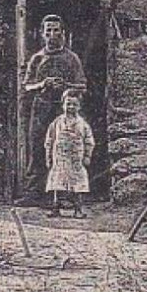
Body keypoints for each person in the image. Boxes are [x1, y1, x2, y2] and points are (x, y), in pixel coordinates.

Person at [23, 14, 87, 196]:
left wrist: (65, 86)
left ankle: (63, 195)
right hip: (41, 109)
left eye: (56, 30)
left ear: (63, 33)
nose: (52, 34)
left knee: (64, 149)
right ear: (42, 34)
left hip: (64, 111)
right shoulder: (37, 58)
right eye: (48, 30)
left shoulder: (71, 58)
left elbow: (83, 85)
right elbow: (26, 86)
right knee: (37, 148)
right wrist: (42, 84)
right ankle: (35, 193)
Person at [44, 90, 96, 218]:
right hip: (60, 158)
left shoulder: (82, 124)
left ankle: (78, 209)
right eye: (68, 104)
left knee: (77, 184)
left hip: (76, 159)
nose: (70, 107)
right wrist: (48, 156)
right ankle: (56, 207)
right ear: (63, 105)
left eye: (74, 104)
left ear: (79, 106)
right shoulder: (57, 122)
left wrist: (87, 156)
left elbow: (89, 141)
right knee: (57, 182)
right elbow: (49, 140)